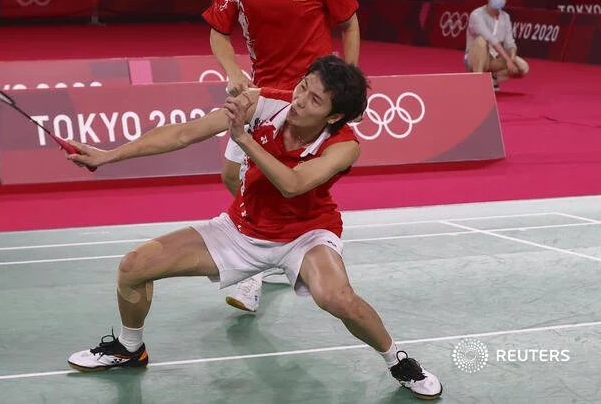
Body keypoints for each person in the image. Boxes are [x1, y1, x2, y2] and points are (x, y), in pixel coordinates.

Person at [64, 56, 443, 401]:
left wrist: (243, 139)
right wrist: (108, 155)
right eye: (302, 87)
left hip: (305, 234)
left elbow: (293, 184)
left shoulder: (344, 146)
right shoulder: (262, 103)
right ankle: (130, 349)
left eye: (314, 101)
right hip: (241, 229)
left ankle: (398, 360)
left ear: (332, 117)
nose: (299, 101)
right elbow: (184, 133)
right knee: (133, 267)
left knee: (337, 299)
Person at [202, 0, 361, 312]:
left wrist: (348, 83)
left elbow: (348, 23)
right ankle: (266, 251)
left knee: (295, 184)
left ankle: (268, 263)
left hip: (311, 100)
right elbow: (219, 33)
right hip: (261, 95)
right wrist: (233, 71)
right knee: (233, 177)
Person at [466, 0, 529, 91]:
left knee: (523, 67)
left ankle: (492, 78)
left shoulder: (505, 17)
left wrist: (512, 58)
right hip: (475, 58)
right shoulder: (477, 15)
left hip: (494, 59)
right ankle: (477, 82)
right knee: (481, 41)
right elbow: (491, 39)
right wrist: (508, 60)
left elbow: (510, 43)